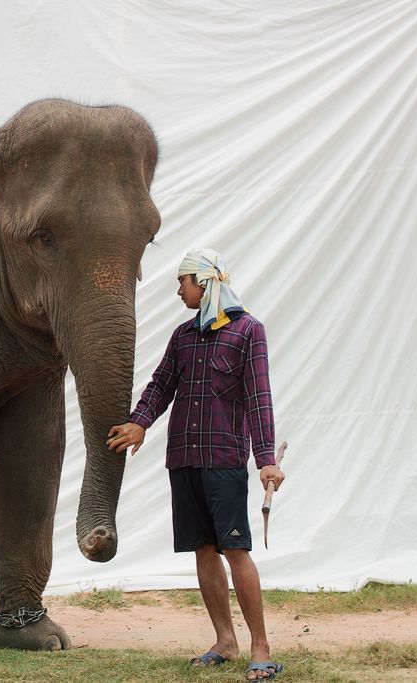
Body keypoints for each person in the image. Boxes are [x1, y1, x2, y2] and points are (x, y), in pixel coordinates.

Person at [108, 248, 286, 681]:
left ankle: (260, 647)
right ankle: (225, 641)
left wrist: (265, 460)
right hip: (184, 459)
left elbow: (260, 399)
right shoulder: (183, 336)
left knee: (235, 550)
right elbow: (161, 386)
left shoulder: (249, 331)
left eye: (182, 282)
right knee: (203, 549)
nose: (178, 291)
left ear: (204, 283)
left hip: (224, 461)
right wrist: (139, 422)